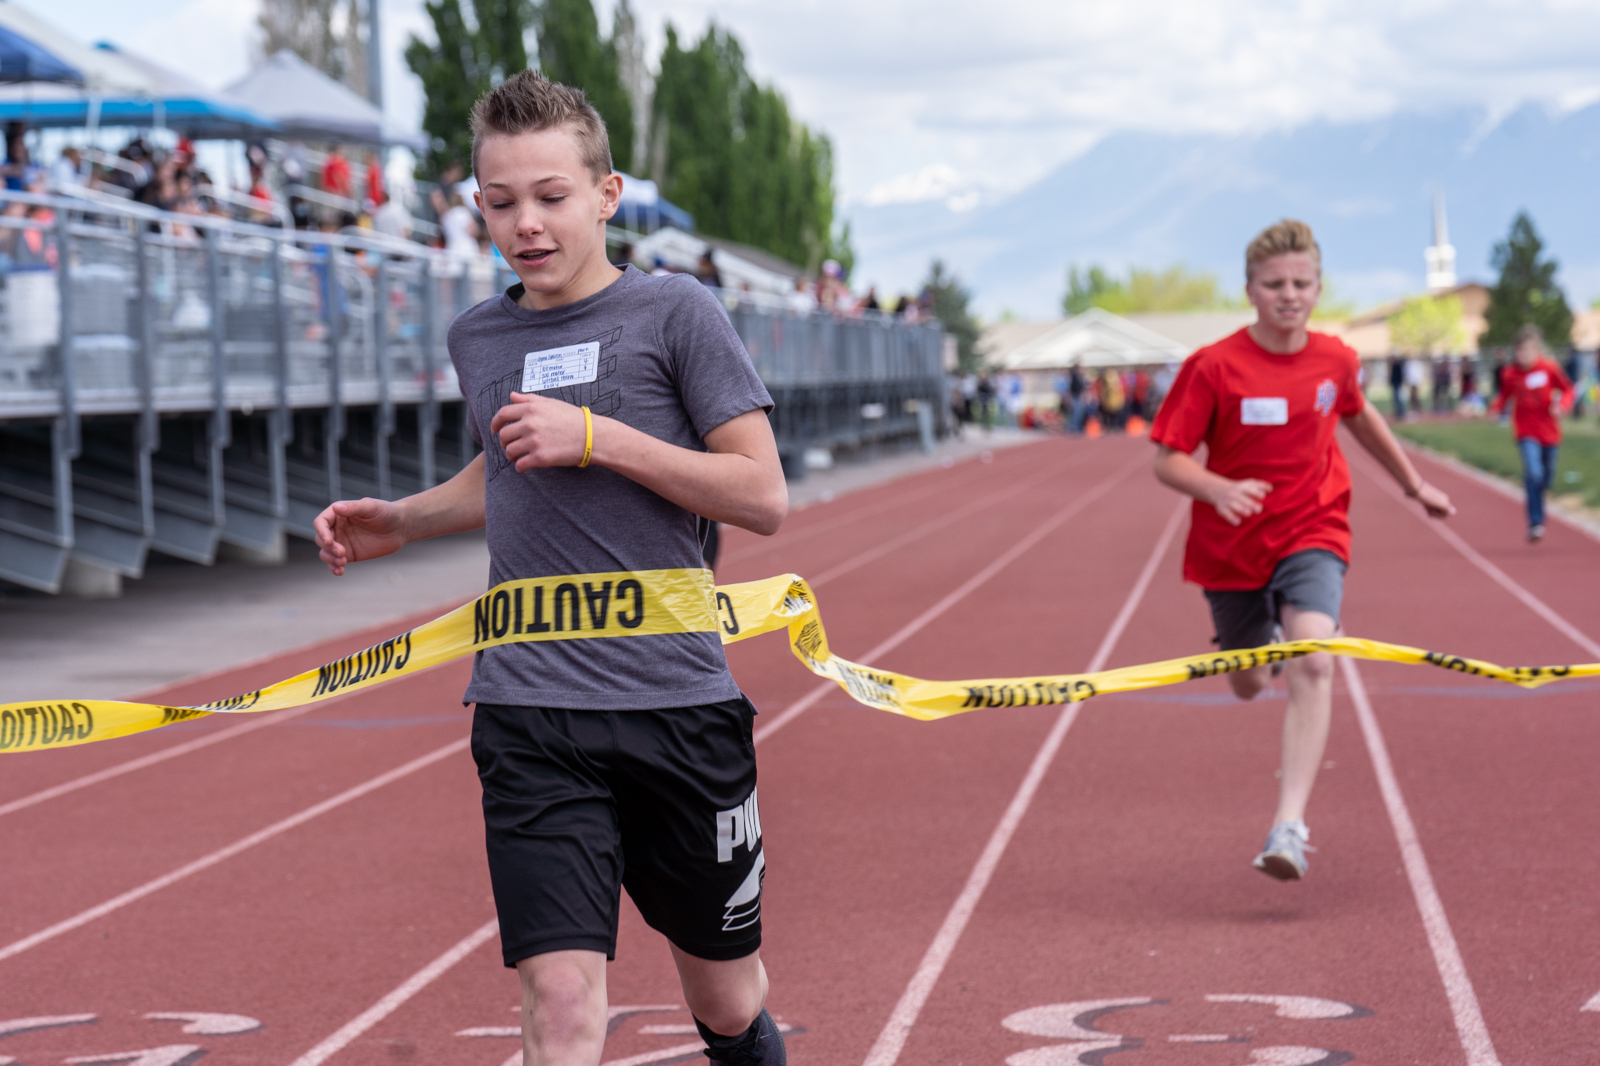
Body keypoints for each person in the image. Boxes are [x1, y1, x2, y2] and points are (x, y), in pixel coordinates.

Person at [312, 70, 789, 1066]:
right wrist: (401, 520)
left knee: (731, 999)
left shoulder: (677, 314)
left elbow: (760, 495)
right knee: (562, 1002)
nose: (524, 223)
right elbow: (507, 471)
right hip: (529, 714)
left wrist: (600, 438)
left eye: (550, 197)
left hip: (674, 708)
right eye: (499, 202)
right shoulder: (478, 335)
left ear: (606, 195)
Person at [1150, 219, 1454, 882]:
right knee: (1250, 681)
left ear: (1318, 287)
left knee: (1314, 658)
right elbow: (1167, 460)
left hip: (1313, 529)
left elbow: (1359, 414)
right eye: (1274, 284)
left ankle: (1288, 826)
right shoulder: (1214, 366)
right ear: (1251, 290)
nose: (1289, 294)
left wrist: (1414, 483)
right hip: (1231, 546)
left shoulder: (1336, 360)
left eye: (1301, 282)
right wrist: (1218, 487)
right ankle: (1250, 648)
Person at [1491, 324, 1572, 542]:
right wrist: (1494, 409)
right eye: (1518, 351)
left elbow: (1568, 390)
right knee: (1533, 472)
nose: (1522, 355)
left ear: (1536, 350)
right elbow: (1503, 398)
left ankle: (1539, 497)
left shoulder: (1549, 369)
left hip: (1550, 432)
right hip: (1526, 431)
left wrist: (1562, 405)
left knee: (1546, 477)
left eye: (1526, 351)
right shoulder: (1510, 374)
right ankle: (1536, 521)